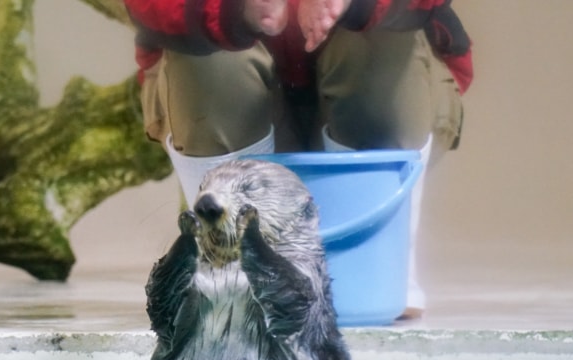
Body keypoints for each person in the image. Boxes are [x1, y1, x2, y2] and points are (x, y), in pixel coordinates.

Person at [124, 0, 472, 319]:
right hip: (230, 101)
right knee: (211, 50)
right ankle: (230, 265)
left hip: (380, 85)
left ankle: (381, 266)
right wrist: (231, 10)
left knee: (378, 37)